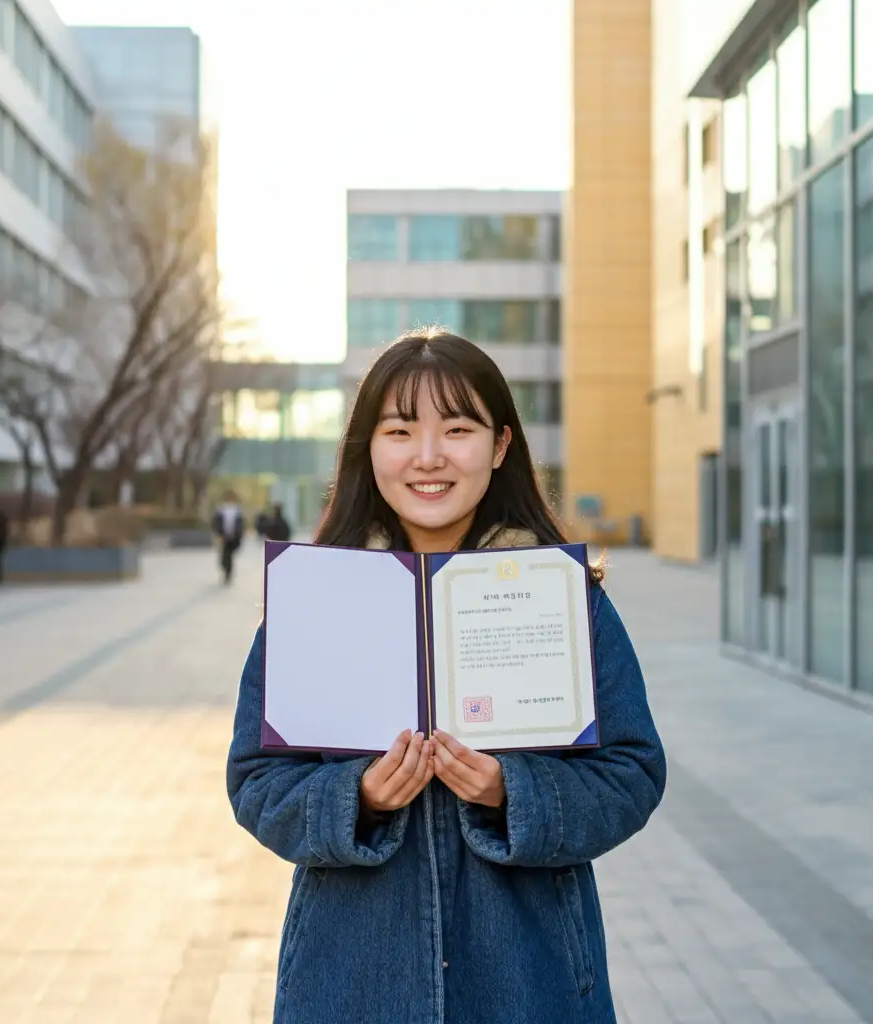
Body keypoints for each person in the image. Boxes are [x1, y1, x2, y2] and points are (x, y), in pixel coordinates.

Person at [226, 329, 666, 1024]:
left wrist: (511, 792)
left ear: (499, 446)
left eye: (457, 428)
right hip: (351, 981)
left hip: (531, 980)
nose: (428, 457)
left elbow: (632, 772)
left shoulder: (563, 597)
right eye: (399, 430)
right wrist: (359, 798)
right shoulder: (314, 599)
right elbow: (256, 782)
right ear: (367, 449)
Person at [211, 491, 244, 584]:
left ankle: (228, 573)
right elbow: (216, 523)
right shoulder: (220, 510)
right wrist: (218, 533)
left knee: (230, 555)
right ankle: (225, 569)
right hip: (223, 536)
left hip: (233, 536)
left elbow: (240, 524)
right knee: (224, 556)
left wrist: (239, 535)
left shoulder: (237, 510)